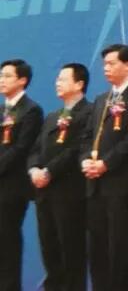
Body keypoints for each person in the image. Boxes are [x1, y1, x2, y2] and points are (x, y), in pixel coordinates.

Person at [80, 43, 128, 291]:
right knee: (97, 249)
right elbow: (87, 136)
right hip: (95, 185)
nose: (106, 68)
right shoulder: (101, 99)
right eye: (104, 64)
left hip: (122, 186)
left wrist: (106, 163)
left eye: (111, 63)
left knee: (121, 248)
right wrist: (85, 160)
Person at [27, 62, 92, 291]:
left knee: (71, 253)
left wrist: (49, 171)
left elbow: (76, 149)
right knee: (50, 252)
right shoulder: (53, 116)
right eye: (57, 79)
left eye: (63, 79)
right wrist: (34, 169)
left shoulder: (89, 113)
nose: (57, 83)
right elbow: (35, 149)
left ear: (79, 84)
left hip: (70, 194)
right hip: (44, 194)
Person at [0, 58, 43, 291]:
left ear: (22, 80)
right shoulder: (1, 110)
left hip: (12, 188)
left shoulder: (31, 110)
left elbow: (21, 148)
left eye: (7, 76)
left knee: (7, 242)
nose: (2, 80)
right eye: (1, 75)